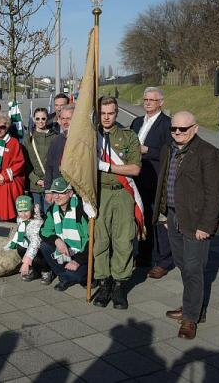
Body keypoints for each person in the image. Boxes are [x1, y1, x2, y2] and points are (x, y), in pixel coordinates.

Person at [151, 111, 219, 340]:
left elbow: (214, 194)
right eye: (174, 129)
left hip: (196, 221)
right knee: (183, 265)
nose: (178, 133)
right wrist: (163, 214)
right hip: (173, 216)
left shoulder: (209, 153)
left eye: (183, 129)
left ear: (195, 128)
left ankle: (191, 318)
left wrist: (206, 225)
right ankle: (191, 305)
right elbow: (163, 182)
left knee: (193, 268)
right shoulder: (168, 149)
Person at [93, 96, 142, 310]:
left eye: (110, 113)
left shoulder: (128, 136)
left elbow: (135, 169)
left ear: (117, 113)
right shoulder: (91, 137)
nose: (106, 117)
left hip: (122, 192)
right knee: (101, 240)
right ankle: (104, 282)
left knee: (123, 240)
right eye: (103, 113)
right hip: (99, 193)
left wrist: (105, 166)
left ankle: (120, 285)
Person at [131, 87, 173, 274]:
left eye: (152, 100)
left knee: (159, 220)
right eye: (145, 99)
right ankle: (145, 255)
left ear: (161, 103)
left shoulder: (167, 124)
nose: (147, 102)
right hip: (137, 177)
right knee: (143, 217)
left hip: (156, 179)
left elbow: (169, 152)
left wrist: (148, 150)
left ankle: (164, 260)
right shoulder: (137, 122)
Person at [39, 177, 91, 291]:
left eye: (61, 192)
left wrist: (78, 260)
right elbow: (43, 231)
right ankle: (65, 277)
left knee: (75, 275)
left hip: (83, 253)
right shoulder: (53, 209)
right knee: (44, 246)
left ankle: (82, 277)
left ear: (70, 193)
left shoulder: (81, 209)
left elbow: (92, 239)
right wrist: (57, 241)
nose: (56, 197)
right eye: (54, 193)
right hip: (65, 251)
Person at [4, 195, 48, 282]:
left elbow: (35, 242)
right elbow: (19, 231)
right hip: (29, 242)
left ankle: (46, 270)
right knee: (20, 247)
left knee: (37, 256)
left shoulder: (37, 221)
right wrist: (13, 242)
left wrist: (26, 262)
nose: (23, 214)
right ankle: (34, 270)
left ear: (31, 209)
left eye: (26, 211)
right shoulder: (20, 218)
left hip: (39, 246)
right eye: (20, 211)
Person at [25, 107, 57, 215]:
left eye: (43, 118)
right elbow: (25, 162)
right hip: (34, 185)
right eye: (37, 119)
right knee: (36, 216)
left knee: (50, 214)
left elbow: (57, 162)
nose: (40, 121)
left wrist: (49, 180)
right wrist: (36, 179)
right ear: (34, 119)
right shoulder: (28, 138)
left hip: (51, 184)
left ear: (47, 119)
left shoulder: (55, 137)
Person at [44, 105, 74, 202]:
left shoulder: (83, 141)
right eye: (63, 118)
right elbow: (49, 166)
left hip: (76, 190)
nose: (65, 122)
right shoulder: (56, 140)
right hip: (58, 190)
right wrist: (48, 190)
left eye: (69, 118)